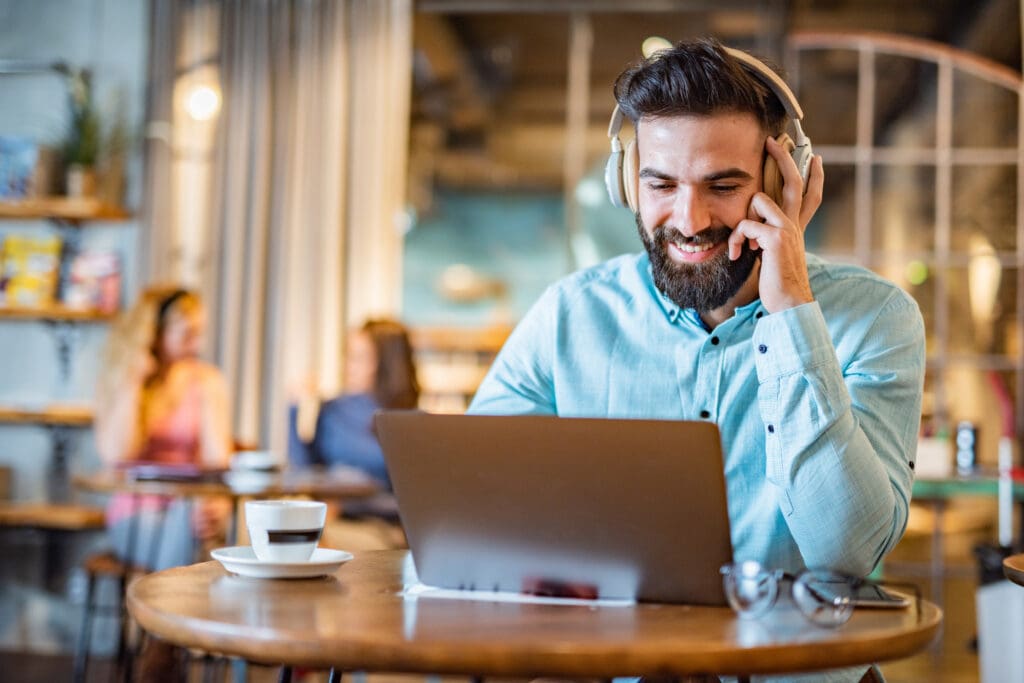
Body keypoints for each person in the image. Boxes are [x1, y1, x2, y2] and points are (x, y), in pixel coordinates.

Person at [469, 38, 924, 682]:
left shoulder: (876, 319)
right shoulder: (569, 317)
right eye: (660, 183)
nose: (688, 218)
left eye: (723, 185)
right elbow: (475, 508)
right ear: (627, 182)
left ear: (780, 182)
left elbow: (847, 551)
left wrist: (792, 310)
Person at [94, 285, 233, 570]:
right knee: (185, 531)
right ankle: (188, 611)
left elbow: (218, 462)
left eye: (199, 333)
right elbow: (116, 456)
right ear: (154, 334)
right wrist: (134, 382)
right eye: (187, 334)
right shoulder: (125, 380)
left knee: (200, 521)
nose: (197, 346)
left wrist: (215, 504)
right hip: (134, 513)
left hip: (189, 506)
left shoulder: (207, 381)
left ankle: (159, 613)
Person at [288, 318, 420, 490]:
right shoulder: (331, 411)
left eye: (358, 358)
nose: (348, 367)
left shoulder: (414, 424)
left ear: (388, 364)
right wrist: (294, 410)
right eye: (348, 357)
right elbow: (303, 471)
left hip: (386, 515)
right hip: (338, 513)